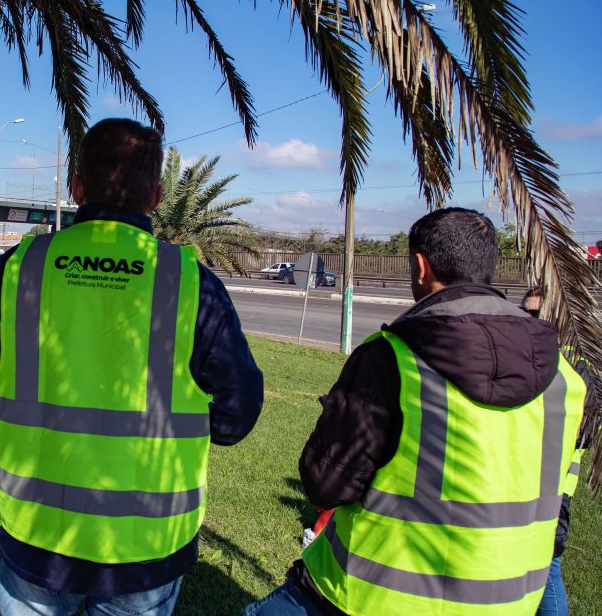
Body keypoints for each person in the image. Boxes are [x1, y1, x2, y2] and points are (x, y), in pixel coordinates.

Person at [0, 118, 264, 615]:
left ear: (76, 188)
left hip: (36, 535)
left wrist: (23, 415)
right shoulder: (189, 283)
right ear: (156, 196)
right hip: (145, 545)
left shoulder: (21, 266)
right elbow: (237, 413)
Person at [246, 207, 586, 616]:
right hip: (509, 601)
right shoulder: (565, 376)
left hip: (369, 597)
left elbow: (326, 485)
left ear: (421, 267)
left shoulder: (391, 358)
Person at [521, 288, 602, 616]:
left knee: (547, 566)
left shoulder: (572, 365)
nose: (526, 320)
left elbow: (582, 434)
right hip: (528, 480)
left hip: (553, 488)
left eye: (534, 315)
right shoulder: (539, 356)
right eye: (523, 312)